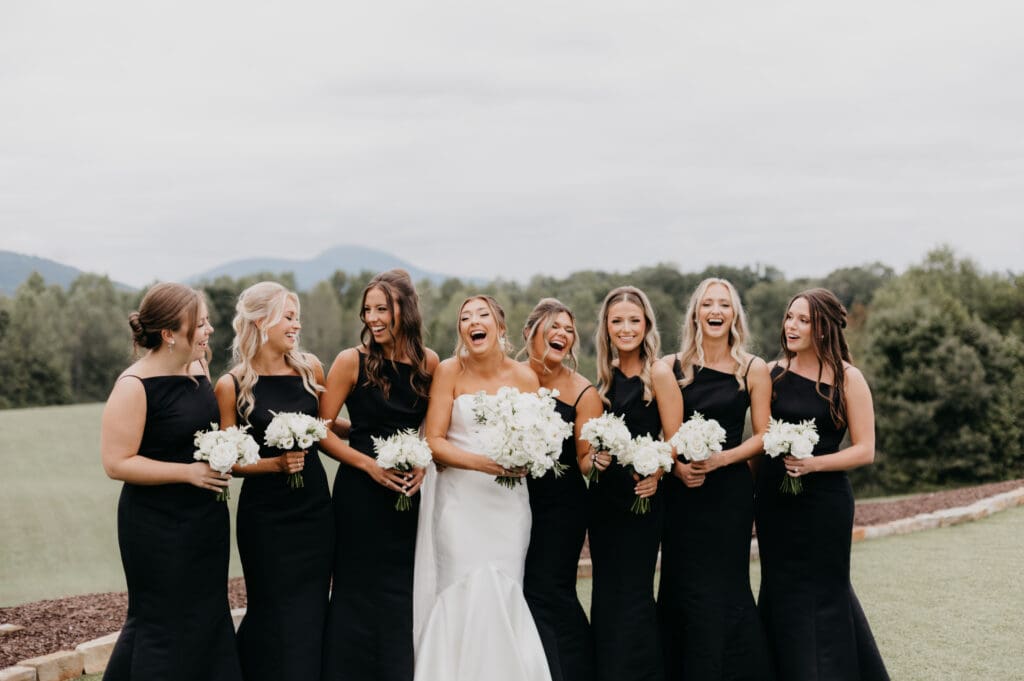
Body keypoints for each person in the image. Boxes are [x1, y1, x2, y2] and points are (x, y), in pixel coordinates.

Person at [100, 282, 241, 681]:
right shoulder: (134, 386)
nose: (209, 331)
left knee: (207, 613)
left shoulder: (197, 368)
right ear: (169, 334)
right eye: (200, 324)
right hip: (156, 526)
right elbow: (116, 462)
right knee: (159, 619)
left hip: (206, 520)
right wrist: (188, 473)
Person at [412, 295, 552, 681]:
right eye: (465, 317)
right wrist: (484, 464)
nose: (473, 321)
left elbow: (538, 439)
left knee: (504, 588)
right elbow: (435, 441)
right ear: (461, 330)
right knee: (461, 585)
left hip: (507, 508)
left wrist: (531, 456)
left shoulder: (526, 377)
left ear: (500, 327)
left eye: (482, 315)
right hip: (458, 505)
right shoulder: (448, 371)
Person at [754, 288, 889, 681]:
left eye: (803, 320)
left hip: (824, 504)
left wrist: (814, 465)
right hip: (775, 503)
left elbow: (865, 449)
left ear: (823, 328)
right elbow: (760, 438)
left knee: (826, 592)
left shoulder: (849, 378)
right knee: (779, 590)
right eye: (789, 317)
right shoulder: (771, 372)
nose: (792, 326)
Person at [320, 270, 439, 681]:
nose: (372, 318)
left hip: (408, 494)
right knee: (355, 589)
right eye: (367, 310)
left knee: (401, 591)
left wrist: (421, 462)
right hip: (359, 493)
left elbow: (430, 432)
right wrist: (368, 462)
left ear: (404, 310)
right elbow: (321, 428)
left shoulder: (430, 363)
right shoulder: (350, 361)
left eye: (381, 309)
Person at [213, 281, 334, 681]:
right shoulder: (231, 385)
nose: (296, 325)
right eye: (288, 316)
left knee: (313, 605)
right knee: (271, 608)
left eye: (297, 317)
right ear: (260, 321)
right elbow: (228, 462)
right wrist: (274, 465)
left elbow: (325, 428)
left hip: (315, 508)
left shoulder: (310, 369)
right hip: (265, 516)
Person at [657, 278, 773, 681]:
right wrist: (677, 467)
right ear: (695, 313)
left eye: (724, 304)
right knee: (682, 584)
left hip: (730, 495)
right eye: (708, 304)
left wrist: (724, 458)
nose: (716, 311)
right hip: (684, 493)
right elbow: (669, 436)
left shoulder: (752, 369)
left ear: (734, 315)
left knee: (727, 584)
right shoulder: (670, 367)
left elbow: (763, 435)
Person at [589, 286, 681, 681]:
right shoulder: (602, 378)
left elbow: (675, 439)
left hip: (641, 502)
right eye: (617, 321)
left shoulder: (658, 372)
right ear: (606, 328)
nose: (626, 328)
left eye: (633, 321)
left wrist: (657, 472)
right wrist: (593, 458)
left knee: (634, 596)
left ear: (646, 325)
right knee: (606, 595)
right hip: (603, 503)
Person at [520, 299, 600, 681]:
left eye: (568, 329)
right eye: (554, 326)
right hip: (512, 502)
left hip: (562, 507)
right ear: (529, 334)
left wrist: (599, 460)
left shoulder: (584, 392)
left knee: (550, 592)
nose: (562, 334)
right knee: (518, 592)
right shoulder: (510, 379)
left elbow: (585, 460)